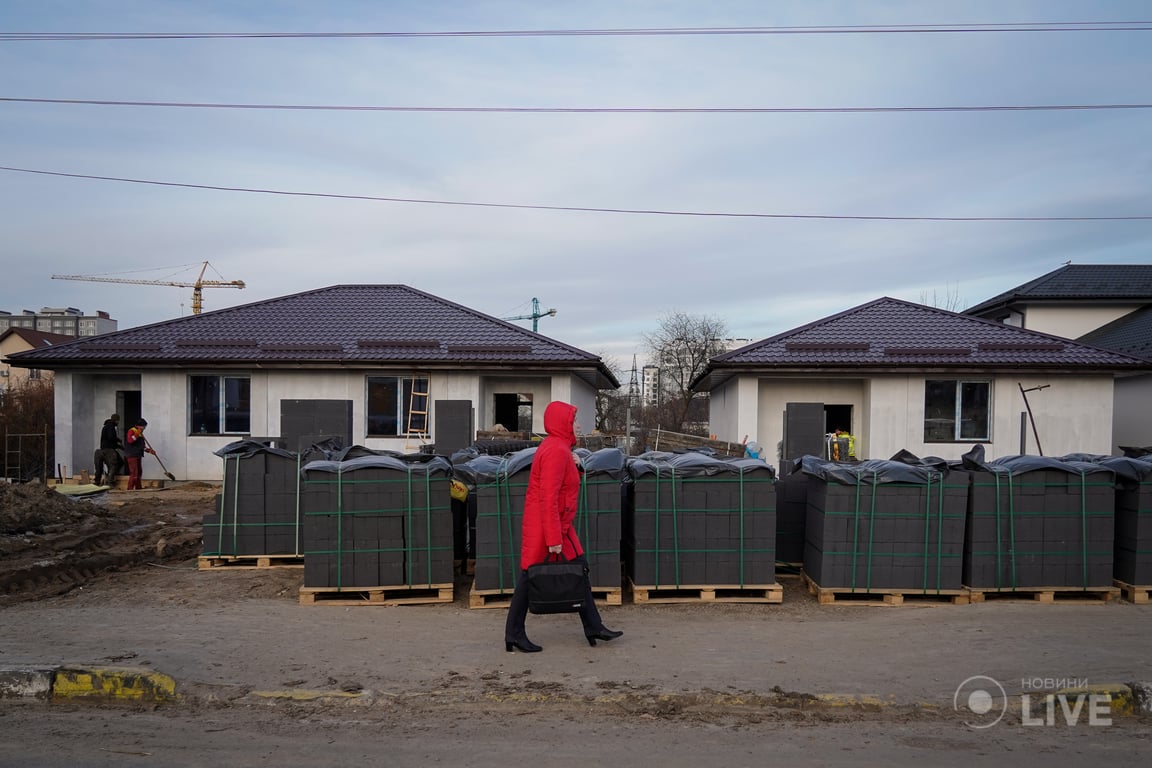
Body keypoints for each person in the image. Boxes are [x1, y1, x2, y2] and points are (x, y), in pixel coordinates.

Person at [504, 401, 623, 653]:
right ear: (563, 423)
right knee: (529, 578)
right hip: (549, 526)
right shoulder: (556, 451)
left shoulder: (557, 448)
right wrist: (554, 537)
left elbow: (562, 485)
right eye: (574, 421)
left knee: (580, 569)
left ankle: (594, 626)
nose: (578, 425)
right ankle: (514, 633)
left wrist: (576, 466)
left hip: (556, 524)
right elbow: (549, 496)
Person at [123, 418, 155, 491]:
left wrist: (149, 451)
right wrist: (137, 434)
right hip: (132, 454)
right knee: (134, 472)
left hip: (138, 454)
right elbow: (130, 440)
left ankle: (138, 488)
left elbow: (142, 447)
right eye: (143, 427)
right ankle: (130, 488)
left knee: (139, 472)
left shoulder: (140, 434)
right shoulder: (132, 431)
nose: (144, 428)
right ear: (139, 426)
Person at [93, 413, 122, 486]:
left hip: (101, 450)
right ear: (116, 420)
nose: (118, 423)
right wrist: (118, 442)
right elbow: (111, 438)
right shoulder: (111, 427)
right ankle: (110, 482)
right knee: (114, 465)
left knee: (99, 468)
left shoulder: (105, 427)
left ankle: (97, 482)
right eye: (118, 421)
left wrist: (118, 442)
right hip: (109, 450)